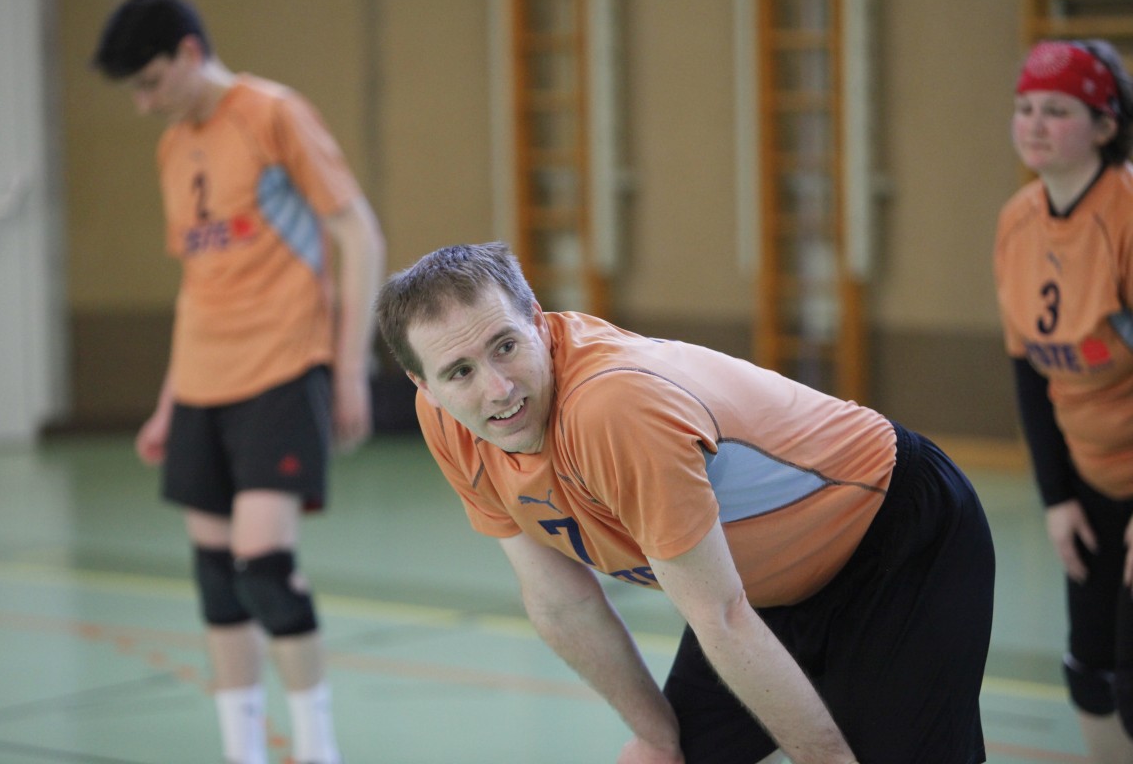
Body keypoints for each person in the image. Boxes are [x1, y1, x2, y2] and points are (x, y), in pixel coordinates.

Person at [374, 242, 995, 764]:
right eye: (459, 372)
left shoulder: (609, 410)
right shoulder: (450, 422)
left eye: (505, 346)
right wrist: (656, 737)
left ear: (537, 320)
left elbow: (720, 615)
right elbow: (560, 600)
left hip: (895, 538)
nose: (498, 388)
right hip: (757, 590)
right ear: (422, 384)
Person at [92, 0, 384, 764]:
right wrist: (169, 403)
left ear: (189, 53)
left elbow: (359, 235)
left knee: (265, 568)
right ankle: (242, 751)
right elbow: (197, 286)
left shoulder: (272, 115)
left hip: (282, 368)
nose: (144, 103)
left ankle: (317, 748)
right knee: (217, 579)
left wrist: (349, 367)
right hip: (202, 383)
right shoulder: (171, 149)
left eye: (151, 82)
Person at [994, 38, 1133, 763]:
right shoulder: (1018, 220)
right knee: (1089, 670)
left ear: (1105, 126)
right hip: (1089, 475)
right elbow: (1029, 371)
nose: (1034, 124)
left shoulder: (1126, 216)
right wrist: (1055, 498)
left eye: (1057, 110)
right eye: (1024, 108)